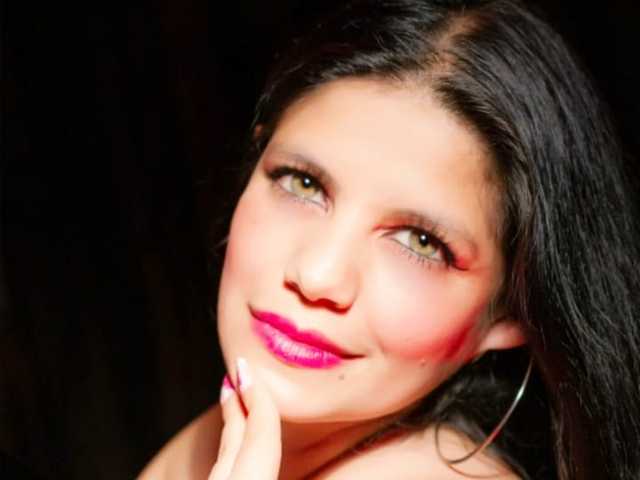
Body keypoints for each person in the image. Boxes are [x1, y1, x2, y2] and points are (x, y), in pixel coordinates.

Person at [139, 0, 640, 478]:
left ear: (512, 310)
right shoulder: (222, 436)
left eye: (420, 242)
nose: (317, 276)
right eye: (303, 183)